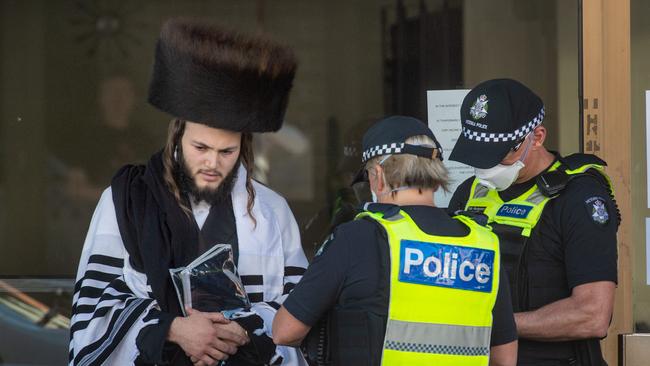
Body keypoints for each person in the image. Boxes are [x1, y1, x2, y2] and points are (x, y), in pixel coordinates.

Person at [69, 18, 308, 366]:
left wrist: (241, 329)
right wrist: (173, 329)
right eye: (201, 147)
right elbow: (94, 308)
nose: (212, 162)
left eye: (226, 152)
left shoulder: (273, 212)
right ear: (177, 136)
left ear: (243, 148)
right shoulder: (125, 201)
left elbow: (297, 309)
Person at [273, 115, 518, 365]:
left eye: (368, 175)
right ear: (435, 175)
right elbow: (505, 358)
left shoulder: (358, 237)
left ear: (378, 176)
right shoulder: (483, 243)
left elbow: (285, 331)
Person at [447, 78, 619, 366]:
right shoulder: (468, 193)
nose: (486, 166)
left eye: (498, 154)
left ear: (536, 137)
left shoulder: (579, 198)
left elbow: (593, 315)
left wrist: (496, 325)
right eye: (477, 153)